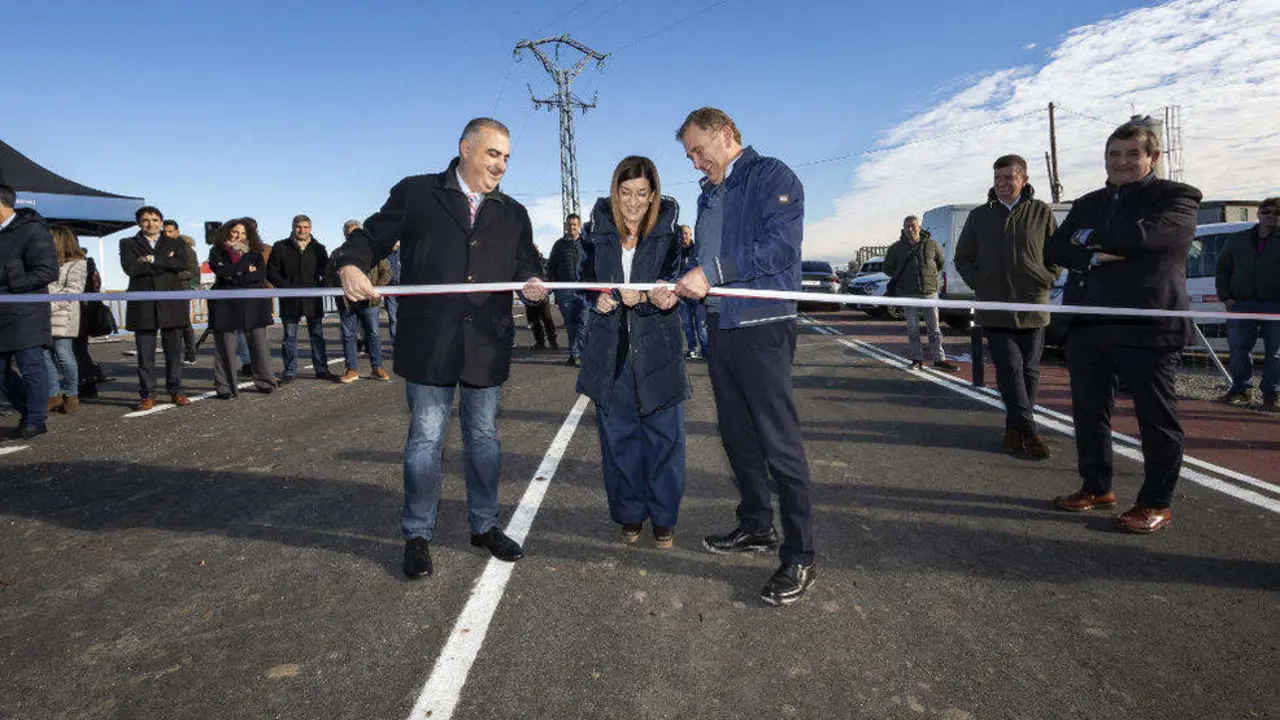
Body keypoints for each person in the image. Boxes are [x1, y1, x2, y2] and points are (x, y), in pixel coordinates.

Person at [333, 117, 548, 578]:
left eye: (507, 157)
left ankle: (485, 525)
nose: (501, 165)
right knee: (425, 440)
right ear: (465, 149)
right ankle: (417, 534)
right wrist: (352, 266)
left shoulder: (513, 213)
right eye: (494, 154)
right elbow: (369, 238)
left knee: (484, 440)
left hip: (485, 345)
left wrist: (535, 283)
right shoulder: (417, 193)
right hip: (430, 341)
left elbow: (529, 263)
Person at [672, 107, 815, 606]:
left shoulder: (771, 175)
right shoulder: (709, 193)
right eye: (689, 155)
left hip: (762, 325)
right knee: (737, 437)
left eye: (697, 150)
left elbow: (780, 250)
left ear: (726, 134)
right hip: (720, 326)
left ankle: (800, 555)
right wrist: (683, 284)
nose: (694, 162)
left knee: (779, 444)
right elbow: (705, 258)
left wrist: (711, 271)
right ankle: (756, 525)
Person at [1044, 121, 1202, 534]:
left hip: (1147, 325)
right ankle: (1096, 486)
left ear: (1153, 158)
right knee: (1089, 413)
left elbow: (1145, 239)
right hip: (1089, 323)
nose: (1123, 162)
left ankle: (1155, 502)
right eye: (1115, 154)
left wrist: (1088, 240)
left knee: (1156, 419)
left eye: (1133, 154)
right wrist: (1097, 255)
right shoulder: (1088, 202)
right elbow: (1056, 247)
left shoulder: (1177, 198)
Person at [578, 156, 689, 548]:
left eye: (642, 193)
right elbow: (582, 281)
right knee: (619, 440)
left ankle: (664, 517)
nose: (633, 202)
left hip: (658, 349)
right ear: (615, 192)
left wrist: (661, 293)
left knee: (664, 440)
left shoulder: (670, 233)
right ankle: (629, 514)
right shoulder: (595, 232)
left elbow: (679, 279)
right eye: (625, 193)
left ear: (654, 194)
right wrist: (598, 299)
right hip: (611, 353)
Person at [954, 155, 1060, 458]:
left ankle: (1013, 431)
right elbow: (963, 258)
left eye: (1008, 178)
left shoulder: (1041, 213)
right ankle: (1030, 429)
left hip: (1033, 307)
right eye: (997, 178)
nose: (1001, 184)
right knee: (1009, 369)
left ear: (1023, 180)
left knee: (1030, 371)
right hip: (995, 307)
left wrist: (1047, 278)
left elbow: (1056, 254)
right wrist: (981, 283)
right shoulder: (979, 216)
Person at [0, 184, 58, 440]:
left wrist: (12, 279)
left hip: (26, 310)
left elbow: (47, 271)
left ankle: (35, 419)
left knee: (31, 365)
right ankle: (27, 410)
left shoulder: (32, 230)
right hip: (2, 311)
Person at [120, 206, 191, 411]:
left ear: (161, 222)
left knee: (174, 352)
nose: (150, 223)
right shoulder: (128, 243)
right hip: (143, 305)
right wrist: (165, 262)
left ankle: (176, 390)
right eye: (145, 220)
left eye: (154, 219)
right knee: (145, 354)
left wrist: (151, 259)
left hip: (170, 303)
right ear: (139, 223)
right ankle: (148, 394)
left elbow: (181, 264)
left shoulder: (175, 242)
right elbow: (130, 268)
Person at [1215, 196, 1280, 412]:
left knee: (1277, 351)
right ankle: (1241, 390)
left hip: (1275, 304)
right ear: (1258, 213)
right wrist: (1226, 297)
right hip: (1242, 303)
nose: (1271, 216)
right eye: (1267, 211)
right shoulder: (1238, 240)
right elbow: (1223, 269)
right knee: (1238, 348)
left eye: (1277, 213)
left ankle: (1272, 393)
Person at [207, 219, 278, 398]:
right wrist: (244, 269)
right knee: (225, 346)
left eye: (244, 233)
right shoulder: (216, 251)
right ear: (228, 232)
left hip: (253, 303)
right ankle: (225, 386)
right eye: (236, 231)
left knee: (259, 344)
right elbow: (221, 273)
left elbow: (260, 276)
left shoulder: (256, 253)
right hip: (225, 303)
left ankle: (265, 381)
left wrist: (233, 272)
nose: (239, 236)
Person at [884, 216, 958, 372]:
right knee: (912, 329)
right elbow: (887, 269)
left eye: (913, 226)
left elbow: (940, 263)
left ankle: (938, 359)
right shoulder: (896, 248)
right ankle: (916, 359)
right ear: (903, 229)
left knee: (934, 328)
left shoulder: (931, 244)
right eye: (906, 227)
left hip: (929, 293)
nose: (910, 229)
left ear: (919, 227)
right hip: (907, 294)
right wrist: (902, 277)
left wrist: (929, 277)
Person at [267, 214, 333, 384]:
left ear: (310, 229)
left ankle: (322, 369)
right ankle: (289, 371)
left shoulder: (319, 248)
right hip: (290, 299)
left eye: (305, 227)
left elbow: (325, 271)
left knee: (317, 335)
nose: (302, 230)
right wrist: (286, 287)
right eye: (299, 227)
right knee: (289, 337)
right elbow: (272, 272)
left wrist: (320, 286)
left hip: (313, 299)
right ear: (293, 227)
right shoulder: (280, 246)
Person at [336, 220, 391, 384]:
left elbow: (386, 272)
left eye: (357, 232)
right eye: (350, 233)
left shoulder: (374, 251)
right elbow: (329, 275)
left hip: (370, 302)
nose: (353, 236)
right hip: (348, 301)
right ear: (345, 234)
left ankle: (377, 367)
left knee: (373, 333)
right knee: (348, 335)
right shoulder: (337, 253)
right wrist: (344, 288)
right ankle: (351, 369)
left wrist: (373, 290)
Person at [44, 226, 88, 414]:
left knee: (63, 354)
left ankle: (72, 394)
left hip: (64, 314)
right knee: (44, 355)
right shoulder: (42, 261)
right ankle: (53, 395)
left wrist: (47, 302)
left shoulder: (77, 262)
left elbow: (74, 290)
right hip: (41, 315)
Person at [547, 213, 588, 366]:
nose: (572, 227)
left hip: (583, 291)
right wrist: (551, 286)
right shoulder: (558, 245)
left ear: (579, 226)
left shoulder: (587, 243)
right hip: (564, 291)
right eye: (569, 225)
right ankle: (573, 353)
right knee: (570, 323)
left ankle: (583, 355)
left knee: (583, 322)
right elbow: (551, 267)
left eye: (574, 225)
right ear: (565, 226)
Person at [161, 221, 201, 365]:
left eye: (170, 231)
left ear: (177, 232)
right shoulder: (160, 249)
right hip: (165, 290)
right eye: (164, 231)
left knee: (184, 323)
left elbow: (193, 272)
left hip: (182, 290)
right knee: (168, 323)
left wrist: (171, 276)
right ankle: (174, 355)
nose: (167, 234)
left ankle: (190, 354)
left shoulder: (187, 251)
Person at [675, 224, 709, 359]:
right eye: (683, 233)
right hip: (682, 295)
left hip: (697, 294)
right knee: (687, 324)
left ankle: (706, 350)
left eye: (687, 233)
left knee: (701, 325)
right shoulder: (675, 252)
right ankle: (692, 349)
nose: (685, 236)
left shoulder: (698, 250)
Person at [527, 249, 558, 350]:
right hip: (529, 296)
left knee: (546, 318)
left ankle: (553, 342)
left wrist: (548, 290)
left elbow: (551, 276)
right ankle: (539, 342)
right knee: (533, 319)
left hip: (542, 295)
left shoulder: (545, 263)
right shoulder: (525, 265)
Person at [385, 241, 401, 344]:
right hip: (389, 290)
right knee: (393, 318)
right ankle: (395, 342)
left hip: (404, 290)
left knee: (405, 317)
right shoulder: (384, 254)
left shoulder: (404, 252)